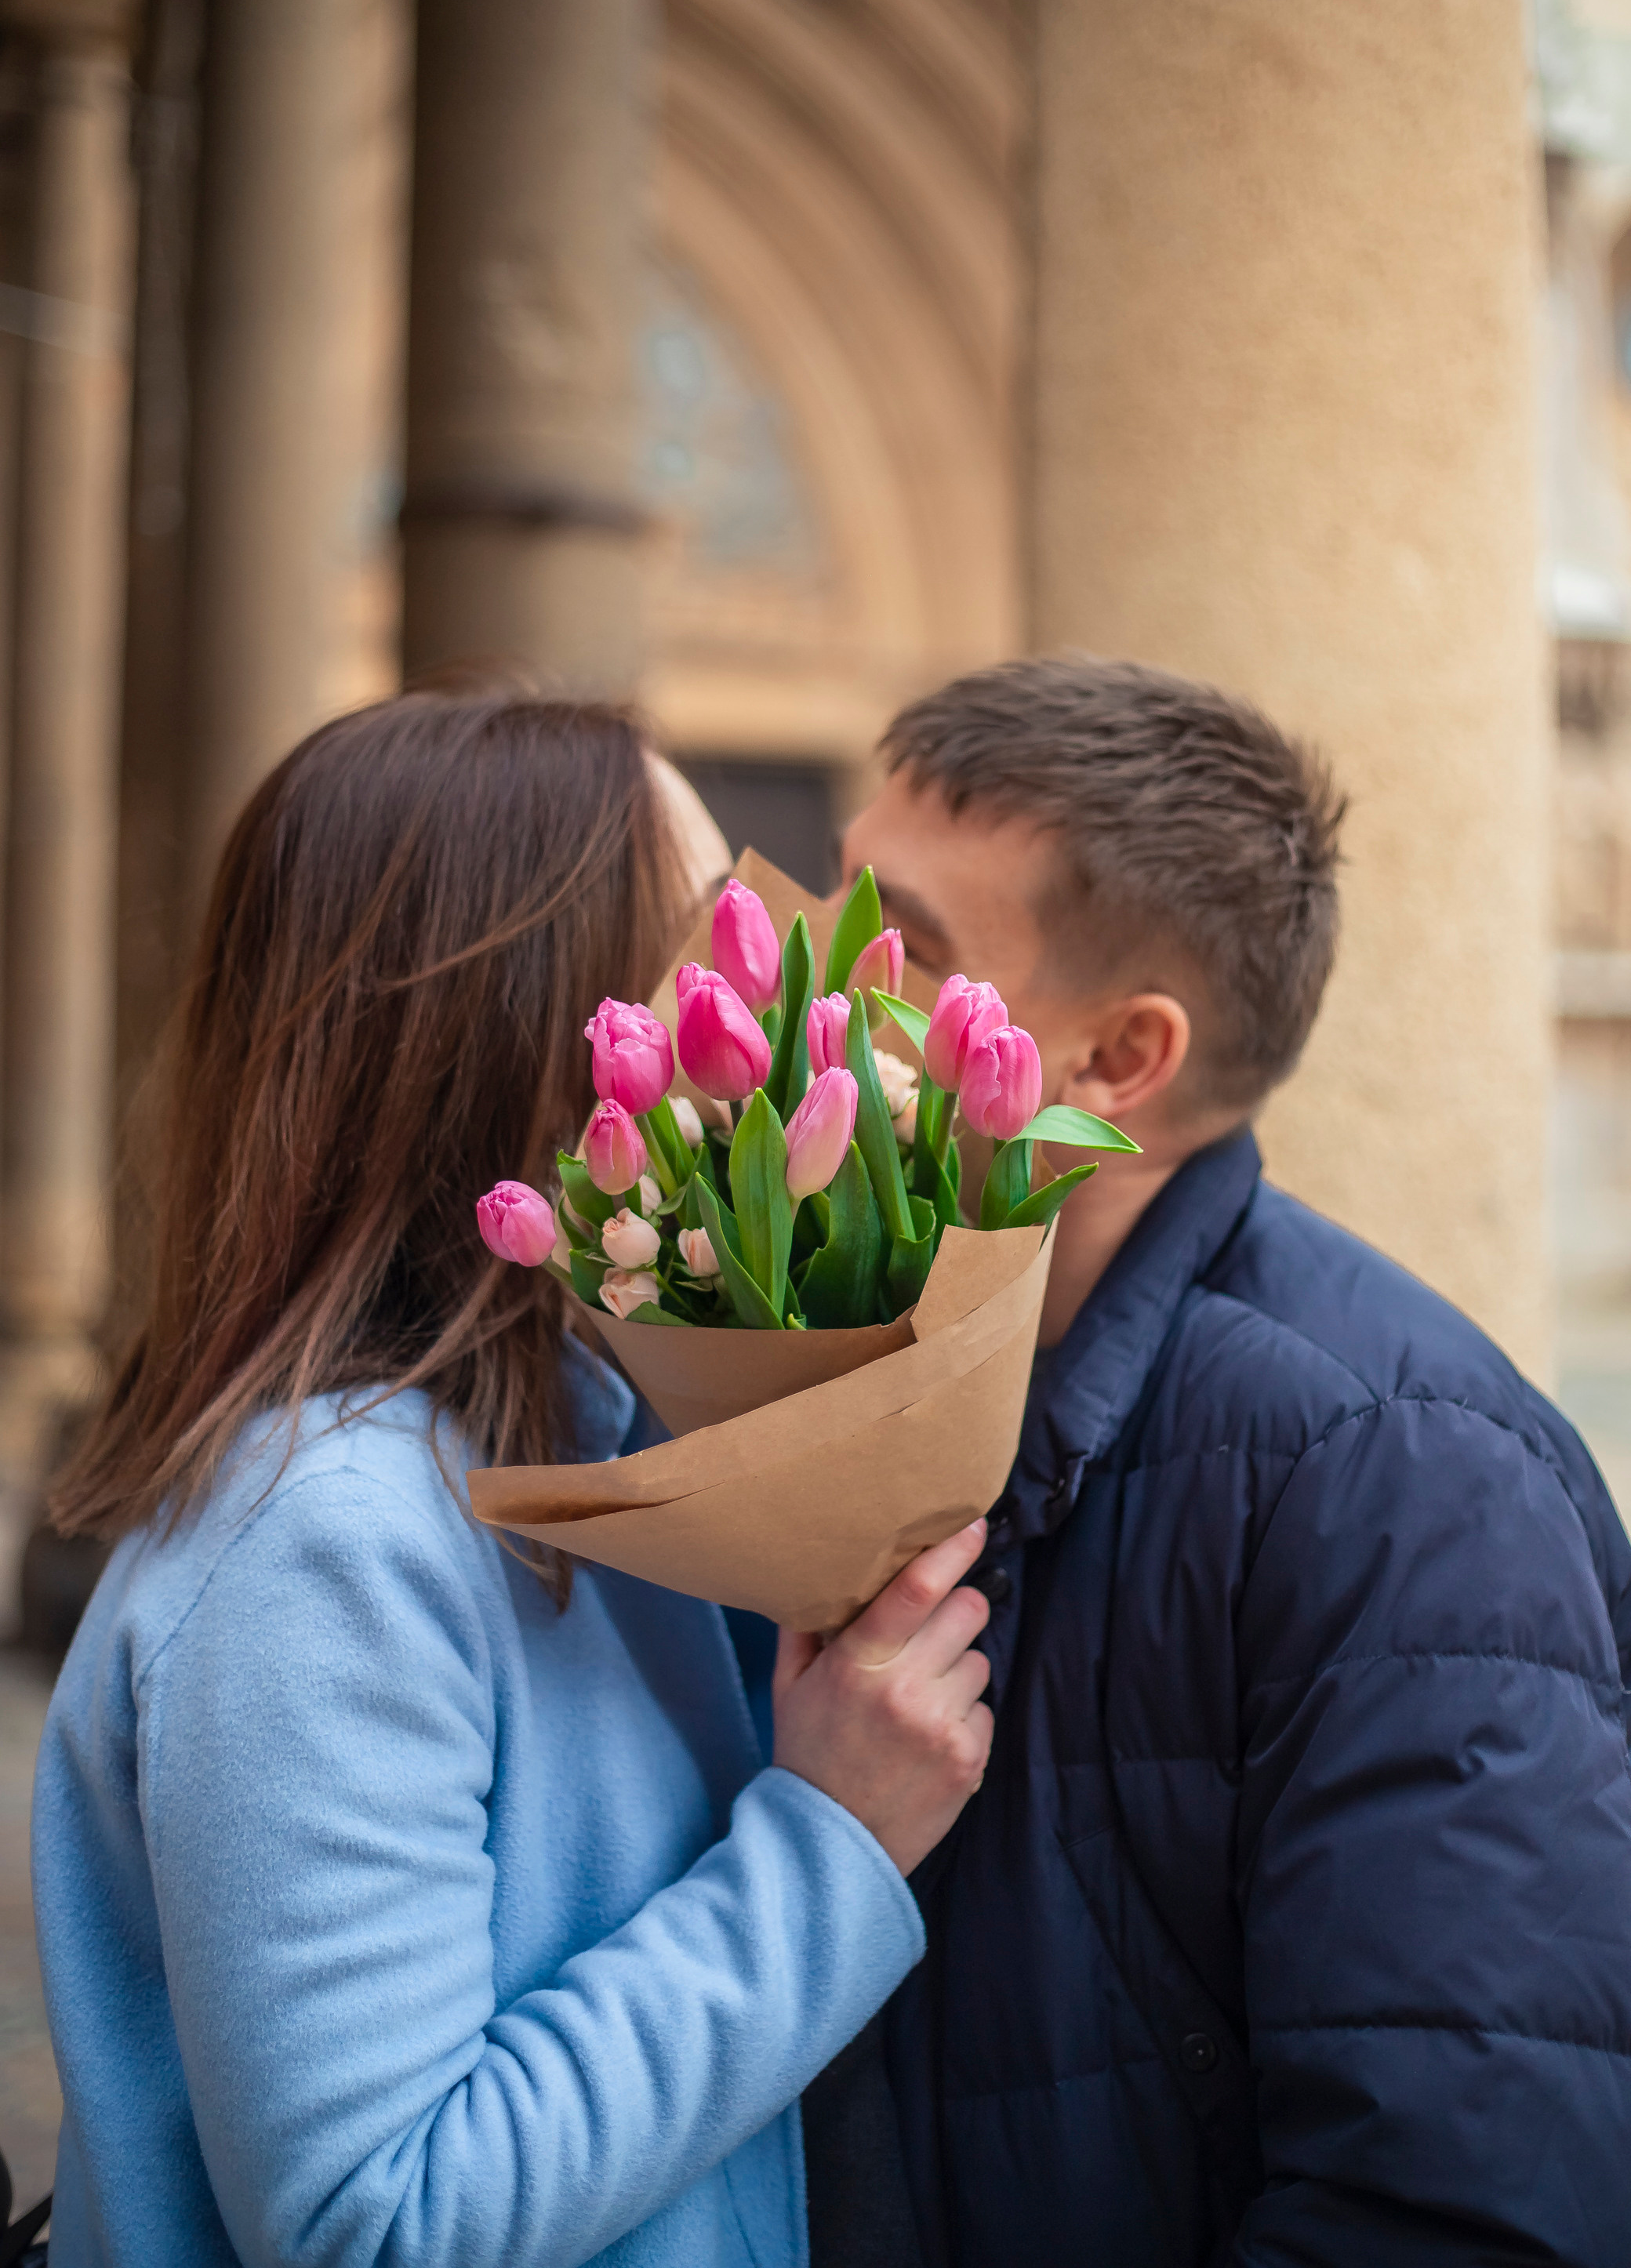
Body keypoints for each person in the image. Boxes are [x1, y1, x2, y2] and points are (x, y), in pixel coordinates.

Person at [31, 689, 997, 2268]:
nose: (752, 1005)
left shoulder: (593, 1437)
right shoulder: (325, 1544)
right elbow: (382, 2222)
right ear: (532, 1025)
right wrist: (826, 1840)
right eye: (701, 934)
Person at [837, 655, 1631, 2267]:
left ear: (1116, 1062)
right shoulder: (871, 1377)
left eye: (897, 950)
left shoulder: (1401, 1477)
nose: (806, 983)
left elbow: (1456, 2200)